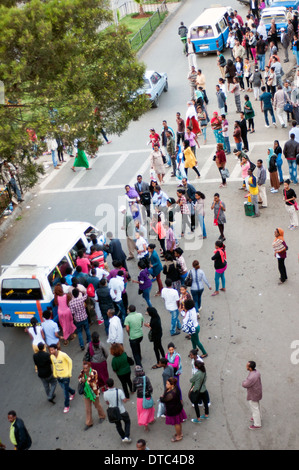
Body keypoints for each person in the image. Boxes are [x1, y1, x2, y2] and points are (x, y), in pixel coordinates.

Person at [78, 361, 106, 430]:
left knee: (97, 405)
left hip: (94, 393)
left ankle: (102, 416)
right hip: (86, 393)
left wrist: (84, 380)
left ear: (89, 367)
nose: (85, 370)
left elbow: (92, 381)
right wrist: (82, 380)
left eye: (86, 368)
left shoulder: (94, 372)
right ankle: (89, 423)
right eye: (84, 368)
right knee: (87, 409)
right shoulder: (82, 372)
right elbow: (79, 378)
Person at [49, 343, 75, 413]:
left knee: (65, 392)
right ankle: (73, 392)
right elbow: (54, 365)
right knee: (64, 388)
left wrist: (69, 373)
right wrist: (54, 373)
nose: (51, 352)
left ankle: (66, 405)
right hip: (58, 376)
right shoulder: (52, 357)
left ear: (56, 349)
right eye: (50, 351)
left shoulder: (63, 355)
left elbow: (70, 361)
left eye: (52, 350)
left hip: (65, 376)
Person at [104, 378, 132, 443]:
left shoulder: (105, 393)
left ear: (107, 385)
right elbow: (124, 400)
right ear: (113, 383)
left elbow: (107, 403)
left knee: (118, 425)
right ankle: (126, 436)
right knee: (127, 421)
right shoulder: (119, 391)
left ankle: (122, 436)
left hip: (113, 412)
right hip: (121, 410)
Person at [159, 377, 187, 442]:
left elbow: (164, 400)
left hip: (173, 410)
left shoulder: (171, 394)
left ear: (172, 385)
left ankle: (179, 436)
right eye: (166, 383)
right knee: (179, 422)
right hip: (178, 408)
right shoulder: (176, 388)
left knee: (176, 423)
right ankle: (180, 433)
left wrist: (161, 397)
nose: (166, 385)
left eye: (168, 384)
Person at [132, 366, 155, 432]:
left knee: (142, 412)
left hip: (140, 398)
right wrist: (149, 392)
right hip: (147, 396)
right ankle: (151, 420)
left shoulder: (134, 380)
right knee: (149, 409)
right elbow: (150, 388)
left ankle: (146, 426)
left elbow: (133, 389)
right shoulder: (146, 378)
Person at [242, 361, 262, 430]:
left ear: (250, 368)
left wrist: (243, 382)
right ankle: (257, 417)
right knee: (256, 406)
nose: (246, 366)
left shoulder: (251, 377)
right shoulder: (257, 372)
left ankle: (257, 424)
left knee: (254, 408)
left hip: (253, 394)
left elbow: (245, 384)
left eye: (247, 366)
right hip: (257, 392)